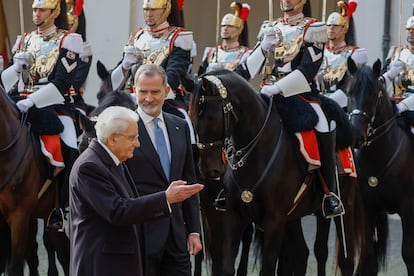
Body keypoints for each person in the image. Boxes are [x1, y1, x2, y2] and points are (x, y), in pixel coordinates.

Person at [239, 0, 345, 218]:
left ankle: (329, 193)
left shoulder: (314, 28)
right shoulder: (270, 26)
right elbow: (247, 70)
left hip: (300, 94)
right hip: (267, 92)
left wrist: (278, 87)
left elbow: (308, 70)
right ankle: (229, 184)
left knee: (323, 124)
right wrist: (264, 46)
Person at [69, 105, 203, 276]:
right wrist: (166, 198)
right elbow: (118, 211)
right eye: (132, 138)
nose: (137, 144)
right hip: (102, 266)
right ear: (112, 139)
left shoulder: (114, 161)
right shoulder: (90, 166)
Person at [0, 0, 83, 231]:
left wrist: (33, 100)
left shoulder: (69, 40)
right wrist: (14, 69)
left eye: (42, 9)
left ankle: (62, 205)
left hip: (54, 105)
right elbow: (5, 84)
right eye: (35, 9)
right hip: (19, 102)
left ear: (54, 12)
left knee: (70, 147)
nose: (36, 14)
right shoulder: (24, 39)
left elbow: (62, 83)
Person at [124, 64, 202, 275]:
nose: (148, 98)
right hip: (139, 236)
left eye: (155, 92)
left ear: (167, 91)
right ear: (134, 91)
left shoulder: (180, 126)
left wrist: (194, 230)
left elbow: (189, 181)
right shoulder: (123, 128)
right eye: (143, 92)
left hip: (176, 237)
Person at [110, 0, 195, 121]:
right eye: (146, 9)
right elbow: (115, 85)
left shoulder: (179, 37)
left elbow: (173, 77)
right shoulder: (137, 36)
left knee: (183, 121)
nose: (149, 14)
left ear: (166, 9)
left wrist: (146, 96)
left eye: (154, 10)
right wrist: (124, 66)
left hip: (164, 101)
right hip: (131, 99)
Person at [318, 0, 368, 110]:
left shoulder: (355, 54)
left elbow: (349, 85)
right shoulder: (320, 51)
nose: (331, 28)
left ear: (344, 28)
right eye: (329, 25)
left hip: (341, 106)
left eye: (335, 25)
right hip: (318, 101)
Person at [198, 1, 251, 78]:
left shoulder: (245, 54)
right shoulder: (210, 52)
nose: (225, 29)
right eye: (223, 26)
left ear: (239, 29)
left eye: (230, 26)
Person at [382, 15, 414, 114]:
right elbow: (382, 78)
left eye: (413, 29)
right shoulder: (396, 51)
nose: (411, 32)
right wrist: (390, 73)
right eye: (408, 29)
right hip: (395, 101)